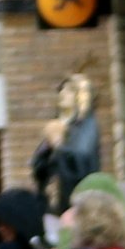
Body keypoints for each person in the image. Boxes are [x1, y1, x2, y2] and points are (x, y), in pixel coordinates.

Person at [28, 72, 102, 206]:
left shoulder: (86, 125)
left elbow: (81, 159)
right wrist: (47, 150)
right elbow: (38, 167)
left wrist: (58, 145)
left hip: (78, 200)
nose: (62, 93)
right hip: (53, 201)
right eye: (62, 89)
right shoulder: (58, 125)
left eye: (69, 90)